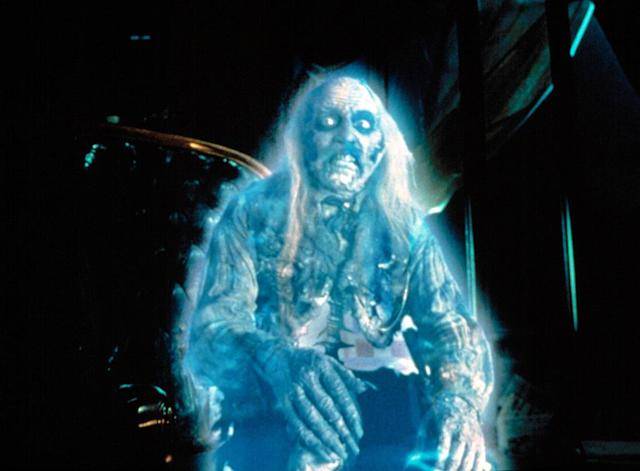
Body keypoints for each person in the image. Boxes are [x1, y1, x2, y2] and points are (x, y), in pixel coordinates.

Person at [182, 74, 494, 470]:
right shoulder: (251, 211)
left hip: (383, 417)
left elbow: (450, 324)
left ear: (380, 145)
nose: (348, 137)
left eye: (363, 124)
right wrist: (279, 363)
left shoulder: (404, 225)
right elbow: (213, 330)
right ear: (304, 136)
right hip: (274, 417)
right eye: (329, 122)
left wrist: (458, 400)